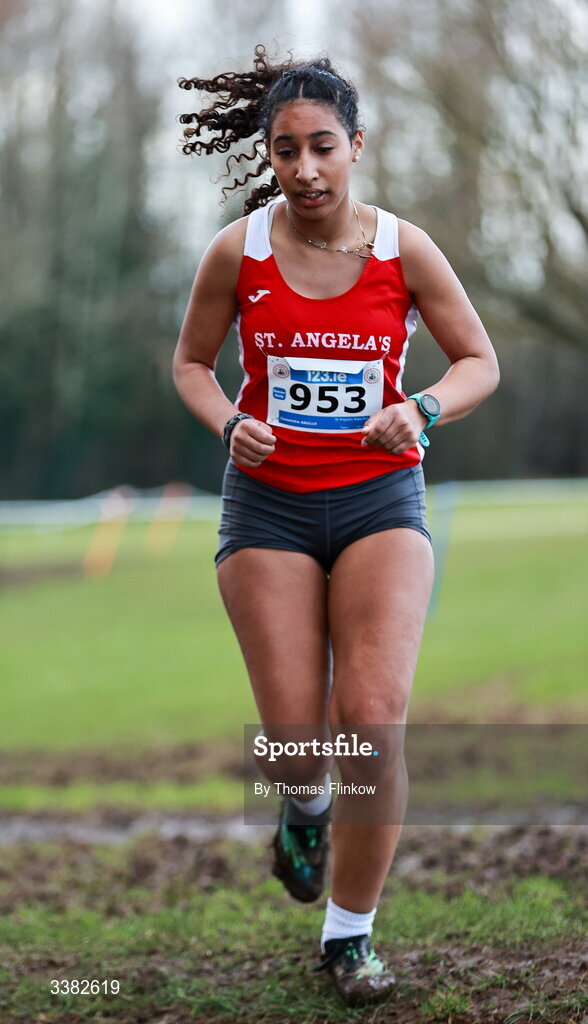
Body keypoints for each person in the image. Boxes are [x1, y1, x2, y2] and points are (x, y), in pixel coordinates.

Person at [173, 44, 499, 1007]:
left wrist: (427, 408)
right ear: (268, 158)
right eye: (286, 151)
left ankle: (348, 935)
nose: (306, 169)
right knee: (296, 742)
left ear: (356, 145)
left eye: (323, 146)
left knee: (372, 721)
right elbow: (192, 364)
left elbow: (478, 359)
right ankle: (304, 807)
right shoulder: (239, 253)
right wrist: (231, 420)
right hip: (268, 506)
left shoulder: (405, 249)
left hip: (380, 498)